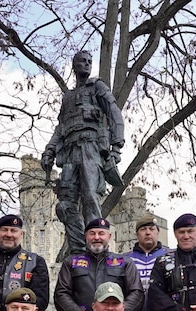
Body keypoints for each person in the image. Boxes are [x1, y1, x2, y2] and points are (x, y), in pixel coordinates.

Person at [41, 51, 125, 255]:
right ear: (74, 65)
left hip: (90, 149)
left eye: (89, 62)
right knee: (65, 206)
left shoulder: (97, 87)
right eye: (82, 61)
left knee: (90, 198)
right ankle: (79, 252)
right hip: (69, 154)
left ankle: (97, 250)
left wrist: (116, 147)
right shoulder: (68, 97)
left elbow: (114, 114)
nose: (86, 64)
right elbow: (60, 128)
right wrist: (49, 150)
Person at [54, 217, 143, 311]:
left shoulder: (125, 263)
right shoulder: (71, 263)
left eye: (101, 233)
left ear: (109, 236)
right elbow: (61, 294)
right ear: (86, 236)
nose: (96, 237)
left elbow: (136, 293)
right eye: (92, 233)